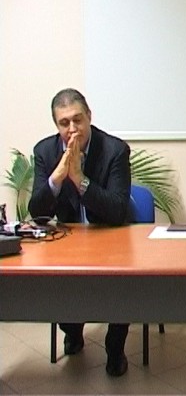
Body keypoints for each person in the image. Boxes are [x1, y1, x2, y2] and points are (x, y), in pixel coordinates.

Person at [29, 88, 132, 377]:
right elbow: (38, 213)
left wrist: (80, 179)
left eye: (78, 120)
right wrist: (57, 178)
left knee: (121, 284)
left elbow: (117, 210)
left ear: (89, 117)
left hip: (111, 239)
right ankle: (72, 330)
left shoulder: (114, 150)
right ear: (56, 125)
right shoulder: (45, 152)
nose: (72, 129)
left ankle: (115, 348)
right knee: (58, 286)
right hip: (68, 243)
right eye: (64, 123)